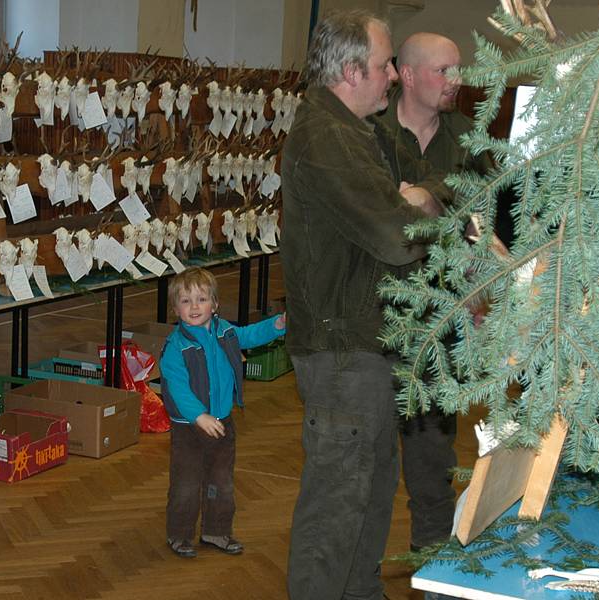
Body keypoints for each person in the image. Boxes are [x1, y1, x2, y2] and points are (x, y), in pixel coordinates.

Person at [280, 10, 450, 600]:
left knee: (371, 496)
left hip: (369, 345)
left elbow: (427, 191)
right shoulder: (326, 138)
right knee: (335, 510)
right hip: (341, 351)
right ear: (352, 71)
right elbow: (395, 238)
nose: (392, 79)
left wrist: (421, 201)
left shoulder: (358, 132)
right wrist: (420, 210)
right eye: (384, 68)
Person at [374, 32, 493, 551]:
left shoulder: (471, 141)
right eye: (445, 70)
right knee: (366, 472)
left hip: (440, 331)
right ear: (408, 72)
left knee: (431, 472)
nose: (456, 80)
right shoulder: (366, 135)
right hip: (370, 324)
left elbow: (485, 228)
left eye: (458, 69)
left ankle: (432, 576)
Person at [159, 266, 286, 559]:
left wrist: (276, 325)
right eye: (185, 301)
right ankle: (179, 534)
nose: (194, 307)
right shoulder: (175, 348)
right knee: (186, 485)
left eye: (201, 299)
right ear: (175, 308)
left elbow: (250, 334)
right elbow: (177, 389)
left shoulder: (225, 331)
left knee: (222, 482)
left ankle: (216, 531)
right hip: (189, 428)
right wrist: (199, 416)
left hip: (222, 422)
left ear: (215, 305)